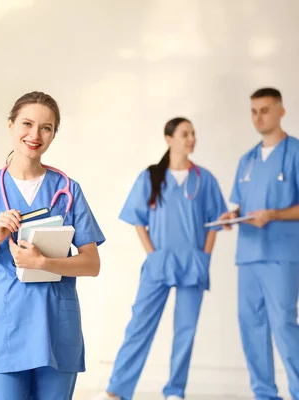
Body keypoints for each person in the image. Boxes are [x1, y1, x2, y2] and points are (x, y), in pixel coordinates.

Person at [0, 91, 105, 399]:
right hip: (4, 329)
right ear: (11, 126)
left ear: (54, 134)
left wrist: (43, 263)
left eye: (46, 127)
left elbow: (92, 263)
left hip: (55, 329)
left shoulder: (68, 190)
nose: (35, 134)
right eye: (27, 124)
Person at [97, 117, 228, 400]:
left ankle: (175, 391)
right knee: (139, 327)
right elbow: (138, 222)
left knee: (186, 330)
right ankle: (116, 390)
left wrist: (204, 257)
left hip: (193, 262)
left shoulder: (204, 179)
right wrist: (153, 255)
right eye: (185, 134)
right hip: (159, 262)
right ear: (168, 139)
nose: (191, 139)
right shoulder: (150, 176)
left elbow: (215, 222)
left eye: (193, 133)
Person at [218, 88, 299, 400]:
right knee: (251, 327)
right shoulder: (247, 160)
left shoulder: (294, 153)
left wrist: (275, 214)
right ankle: (265, 394)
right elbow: (241, 205)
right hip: (248, 255)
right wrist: (231, 216)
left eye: (265, 110)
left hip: (282, 255)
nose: (258, 117)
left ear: (281, 111)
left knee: (284, 326)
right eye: (253, 111)